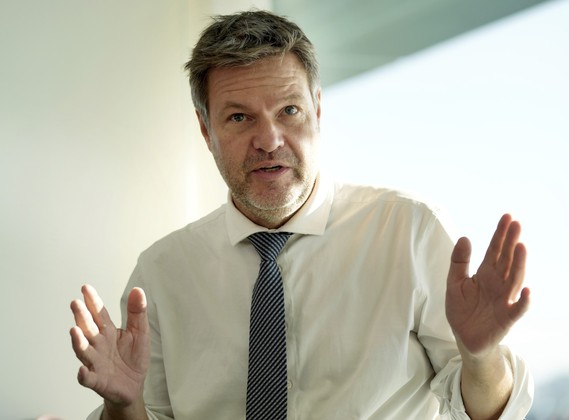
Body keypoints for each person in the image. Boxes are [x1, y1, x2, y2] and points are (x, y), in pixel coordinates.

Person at [70, 10, 533, 420]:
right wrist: (124, 406)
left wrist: (481, 357)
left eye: (288, 110)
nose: (269, 139)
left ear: (317, 110)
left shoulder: (408, 231)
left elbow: (489, 413)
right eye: (238, 118)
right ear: (205, 129)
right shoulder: (161, 273)